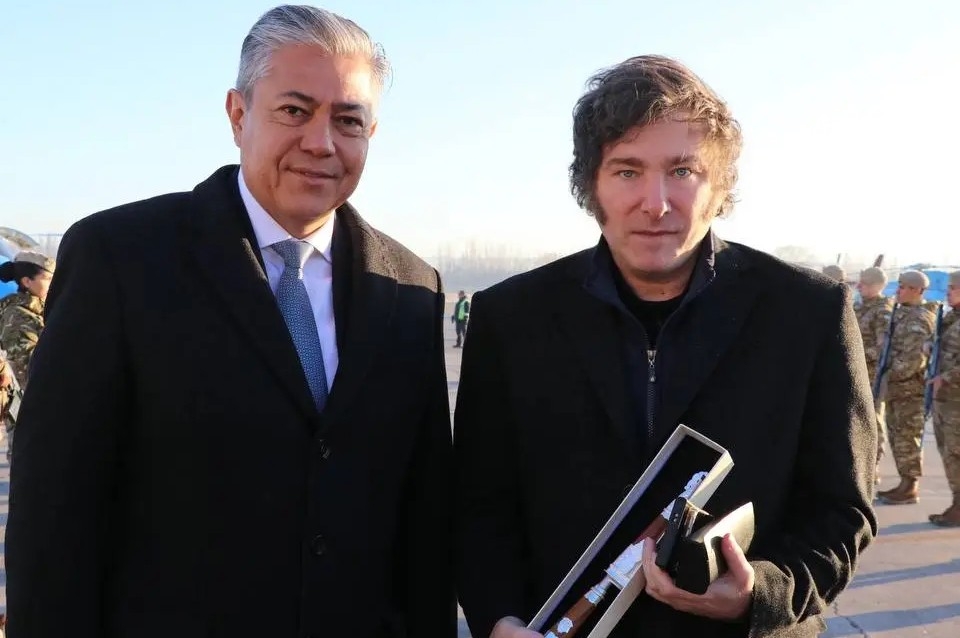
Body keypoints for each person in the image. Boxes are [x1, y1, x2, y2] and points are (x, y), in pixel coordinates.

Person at [5, 6, 455, 638]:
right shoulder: (121, 259)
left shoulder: (410, 288)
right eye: (294, 110)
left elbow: (423, 520)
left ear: (371, 134)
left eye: (348, 120)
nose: (321, 142)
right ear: (238, 115)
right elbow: (54, 511)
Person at [454, 55, 877, 638]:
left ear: (720, 186)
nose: (655, 203)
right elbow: (479, 506)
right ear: (591, 185)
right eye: (627, 171)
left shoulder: (808, 313)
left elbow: (842, 511)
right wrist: (500, 619)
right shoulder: (511, 318)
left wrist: (763, 593)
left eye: (682, 170)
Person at [875, 270, 936, 505]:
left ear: (915, 290)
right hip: (897, 389)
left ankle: (910, 486)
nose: (897, 291)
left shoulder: (919, 319)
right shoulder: (902, 314)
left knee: (907, 438)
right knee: (897, 436)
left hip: (909, 391)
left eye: (902, 287)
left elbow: (912, 360)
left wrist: (889, 376)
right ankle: (904, 483)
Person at [0, 251, 55, 462]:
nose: (53, 284)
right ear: (27, 281)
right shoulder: (17, 317)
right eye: (47, 278)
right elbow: (29, 370)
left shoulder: (41, 310)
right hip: (31, 411)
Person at [855, 266, 895, 482]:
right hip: (855, 373)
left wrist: (855, 353)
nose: (859, 286)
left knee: (872, 421)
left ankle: (873, 466)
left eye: (865, 283)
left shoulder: (883, 311)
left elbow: (883, 348)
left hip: (872, 376)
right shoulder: (859, 307)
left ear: (877, 286)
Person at [927, 271, 960, 526]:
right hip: (944, 399)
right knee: (948, 453)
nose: (948, 292)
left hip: (956, 399)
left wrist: (946, 376)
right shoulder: (950, 317)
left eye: (953, 288)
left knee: (956, 452)